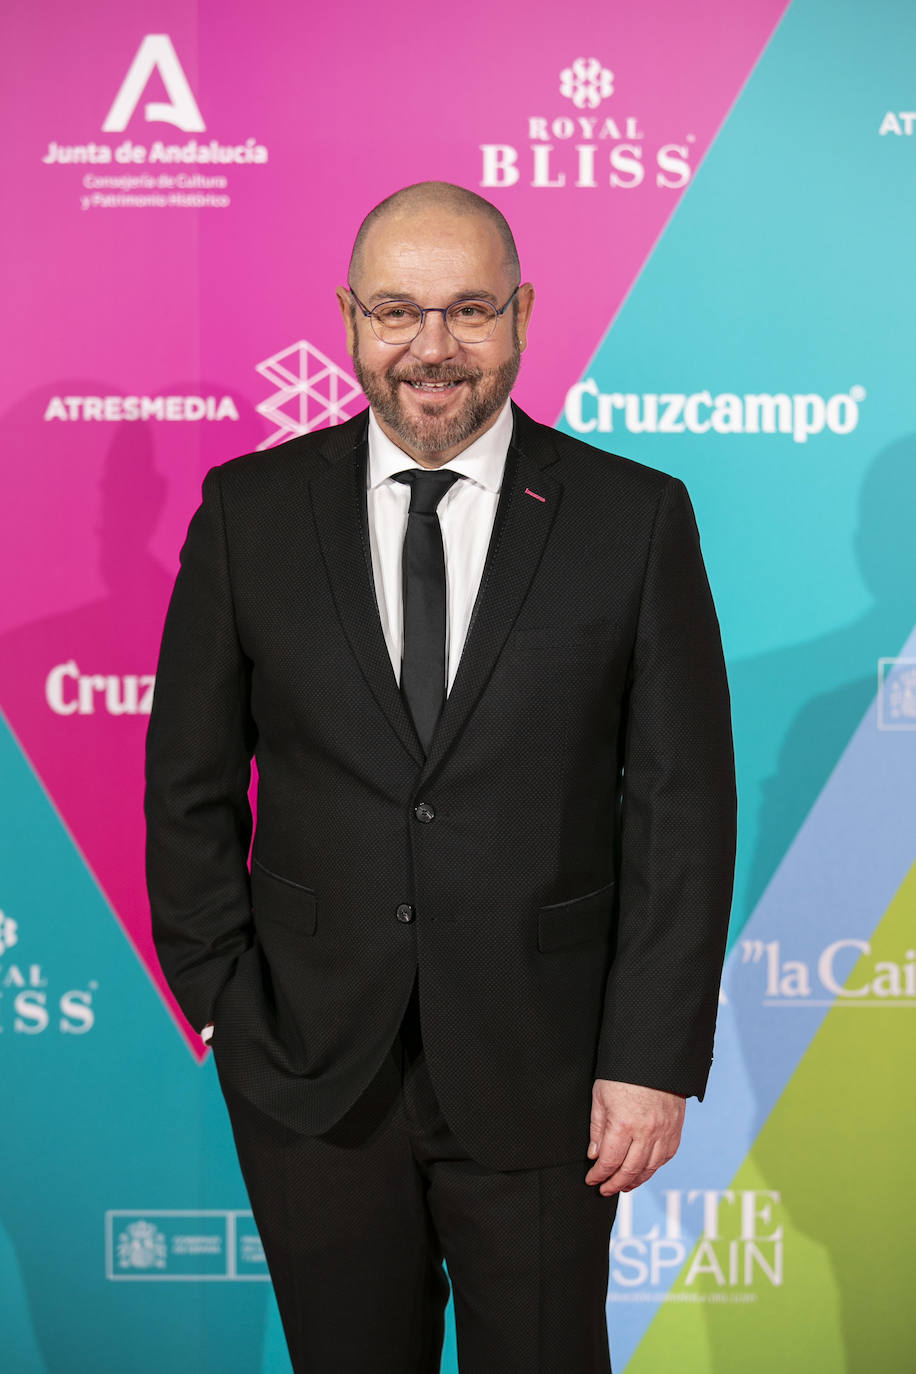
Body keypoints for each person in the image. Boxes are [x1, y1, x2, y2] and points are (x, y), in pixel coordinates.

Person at [145, 181, 736, 1373]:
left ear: (520, 314)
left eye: (468, 311)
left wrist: (646, 1058)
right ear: (348, 319)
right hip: (312, 1071)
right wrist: (226, 1006)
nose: (431, 349)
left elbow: (681, 811)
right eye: (395, 312)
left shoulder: (632, 519)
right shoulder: (250, 513)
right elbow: (188, 787)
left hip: (553, 1073)